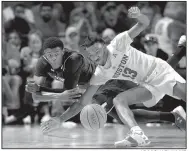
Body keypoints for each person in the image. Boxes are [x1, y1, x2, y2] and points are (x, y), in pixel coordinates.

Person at [27, 7, 186, 148]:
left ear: (104, 45)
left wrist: (138, 15)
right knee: (121, 106)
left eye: (97, 51)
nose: (95, 56)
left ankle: (180, 52)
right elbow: (80, 102)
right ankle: (143, 132)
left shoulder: (118, 43)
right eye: (92, 55)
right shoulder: (100, 73)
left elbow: (144, 24)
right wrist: (60, 120)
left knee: (124, 105)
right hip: (145, 85)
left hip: (156, 73)